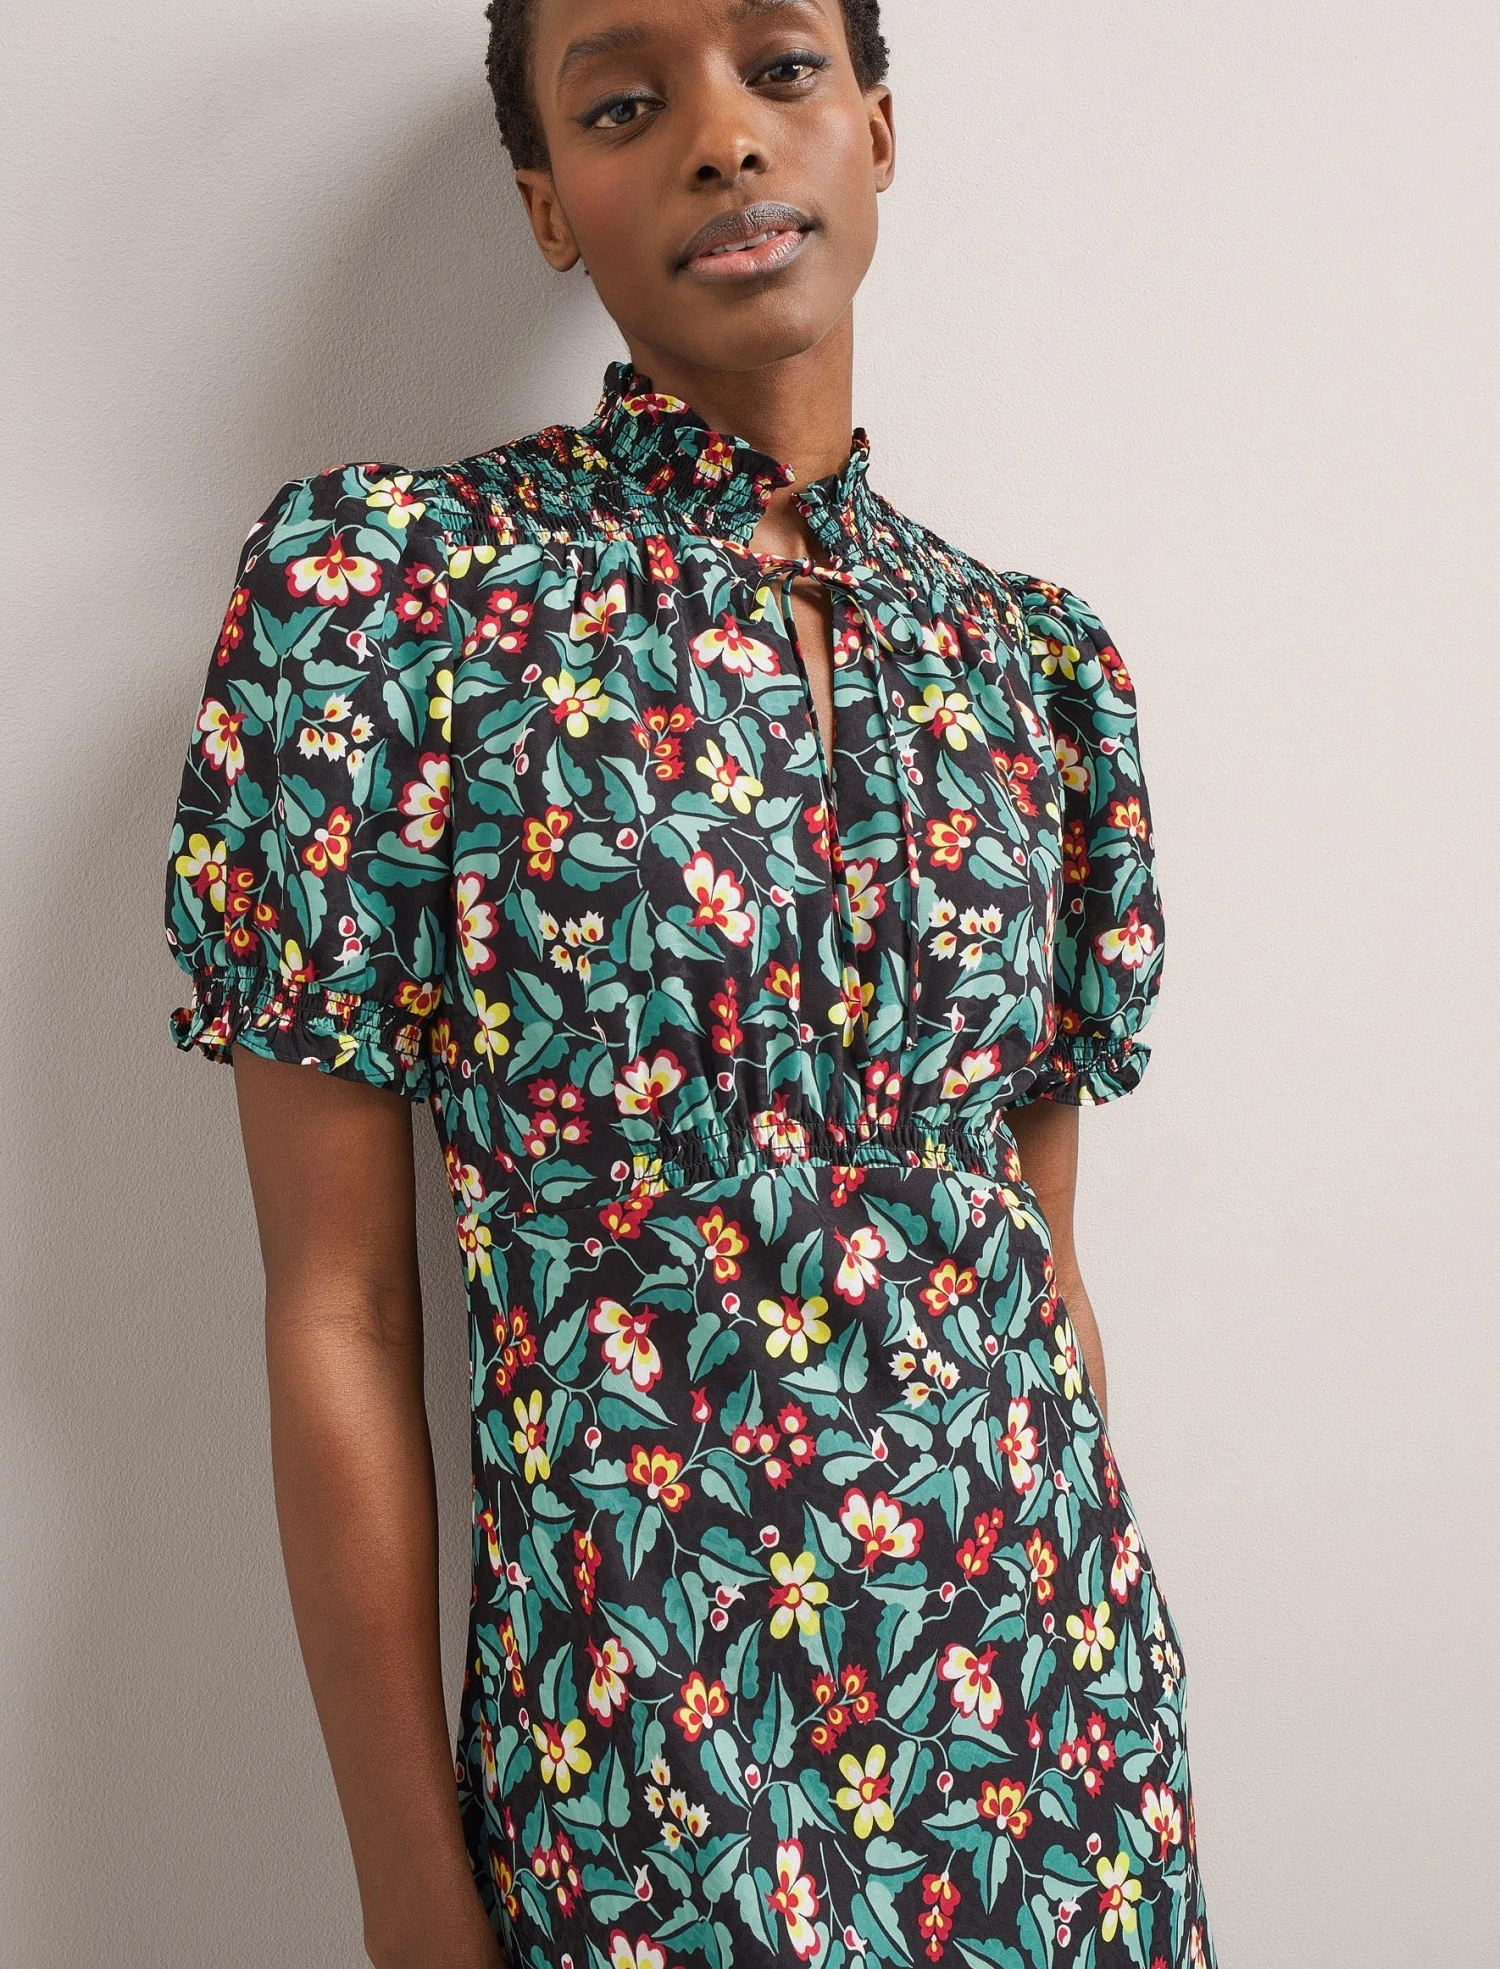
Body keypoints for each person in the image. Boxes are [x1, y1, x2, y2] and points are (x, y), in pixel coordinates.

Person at [162, 2, 1219, 1965]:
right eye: (629, 103)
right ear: (548, 204)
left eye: (782, 68)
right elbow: (339, 1312)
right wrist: (409, 1888)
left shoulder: (1031, 667)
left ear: (877, 131)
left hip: (1060, 1762)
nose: (725, 139)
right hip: (647, 1768)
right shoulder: (391, 603)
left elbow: (1038, 1273)